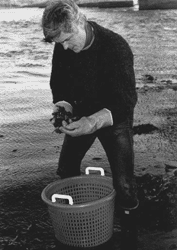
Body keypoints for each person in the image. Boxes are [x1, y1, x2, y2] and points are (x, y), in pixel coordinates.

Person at [42, 0, 139, 248]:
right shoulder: (63, 45)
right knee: (66, 169)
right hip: (82, 111)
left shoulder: (115, 47)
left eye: (67, 39)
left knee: (124, 183)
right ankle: (76, 220)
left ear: (79, 23)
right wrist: (62, 107)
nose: (64, 47)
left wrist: (92, 122)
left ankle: (130, 235)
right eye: (59, 43)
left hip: (113, 116)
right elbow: (60, 83)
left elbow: (126, 102)